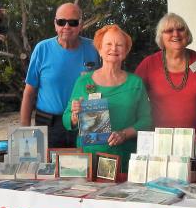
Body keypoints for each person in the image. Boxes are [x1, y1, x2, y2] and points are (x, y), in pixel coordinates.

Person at [64, 25, 152, 172]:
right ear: (99, 49)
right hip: (89, 159)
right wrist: (75, 115)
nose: (114, 49)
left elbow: (146, 121)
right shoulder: (83, 82)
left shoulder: (135, 83)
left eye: (119, 45)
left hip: (124, 158)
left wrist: (124, 134)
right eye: (109, 44)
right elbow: (66, 119)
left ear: (126, 51)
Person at [20, 2, 100, 147]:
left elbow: (103, 86)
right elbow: (29, 93)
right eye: (61, 22)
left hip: (85, 120)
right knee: (50, 168)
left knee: (86, 167)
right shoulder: (42, 49)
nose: (67, 27)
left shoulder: (94, 48)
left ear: (81, 25)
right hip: (49, 125)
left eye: (73, 22)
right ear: (55, 24)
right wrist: (24, 130)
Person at [135, 13, 196, 150]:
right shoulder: (149, 64)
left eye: (180, 29)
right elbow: (132, 95)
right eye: (169, 30)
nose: (175, 34)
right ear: (161, 37)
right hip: (160, 142)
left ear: (187, 33)